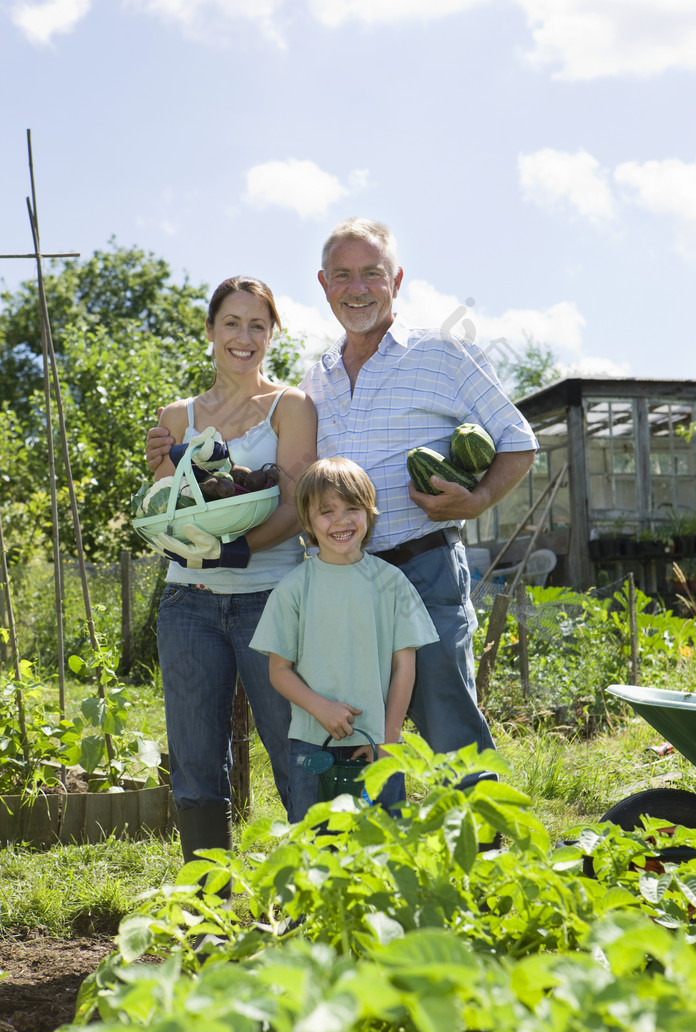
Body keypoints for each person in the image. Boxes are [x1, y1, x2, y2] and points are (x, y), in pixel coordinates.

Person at [146, 220, 536, 777]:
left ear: (396, 279)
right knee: (356, 732)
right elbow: (268, 475)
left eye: (372, 274)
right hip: (340, 582)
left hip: (421, 566)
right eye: (344, 276)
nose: (358, 288)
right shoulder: (317, 381)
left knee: (448, 722)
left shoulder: (444, 354)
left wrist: (476, 503)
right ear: (324, 284)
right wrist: (174, 454)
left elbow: (518, 442)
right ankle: (372, 853)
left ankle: (489, 855)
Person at [142, 275, 317, 866]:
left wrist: (235, 552)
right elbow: (172, 514)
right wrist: (161, 476)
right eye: (232, 323)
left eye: (257, 325)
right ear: (211, 330)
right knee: (194, 760)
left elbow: (295, 506)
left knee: (293, 748)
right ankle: (205, 910)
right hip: (187, 604)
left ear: (272, 334)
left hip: (270, 598)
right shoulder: (177, 417)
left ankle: (312, 897)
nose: (244, 337)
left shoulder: (290, 407)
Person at [249, 456, 439, 822]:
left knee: (382, 853)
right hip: (312, 745)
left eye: (352, 508)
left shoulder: (392, 583)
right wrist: (321, 707)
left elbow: (404, 665)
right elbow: (279, 671)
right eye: (326, 511)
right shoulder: (293, 589)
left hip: (378, 747)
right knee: (314, 853)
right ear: (307, 521)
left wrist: (390, 737)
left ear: (369, 513)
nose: (340, 520)